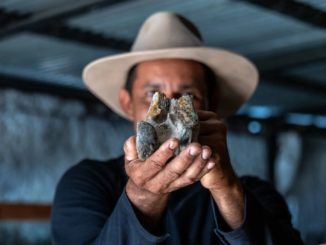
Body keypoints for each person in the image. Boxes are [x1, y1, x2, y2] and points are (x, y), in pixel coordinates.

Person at [51, 12, 302, 244]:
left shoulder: (255, 195)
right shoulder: (88, 183)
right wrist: (143, 197)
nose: (169, 106)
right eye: (153, 94)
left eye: (188, 95)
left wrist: (226, 188)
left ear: (210, 104)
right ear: (128, 104)